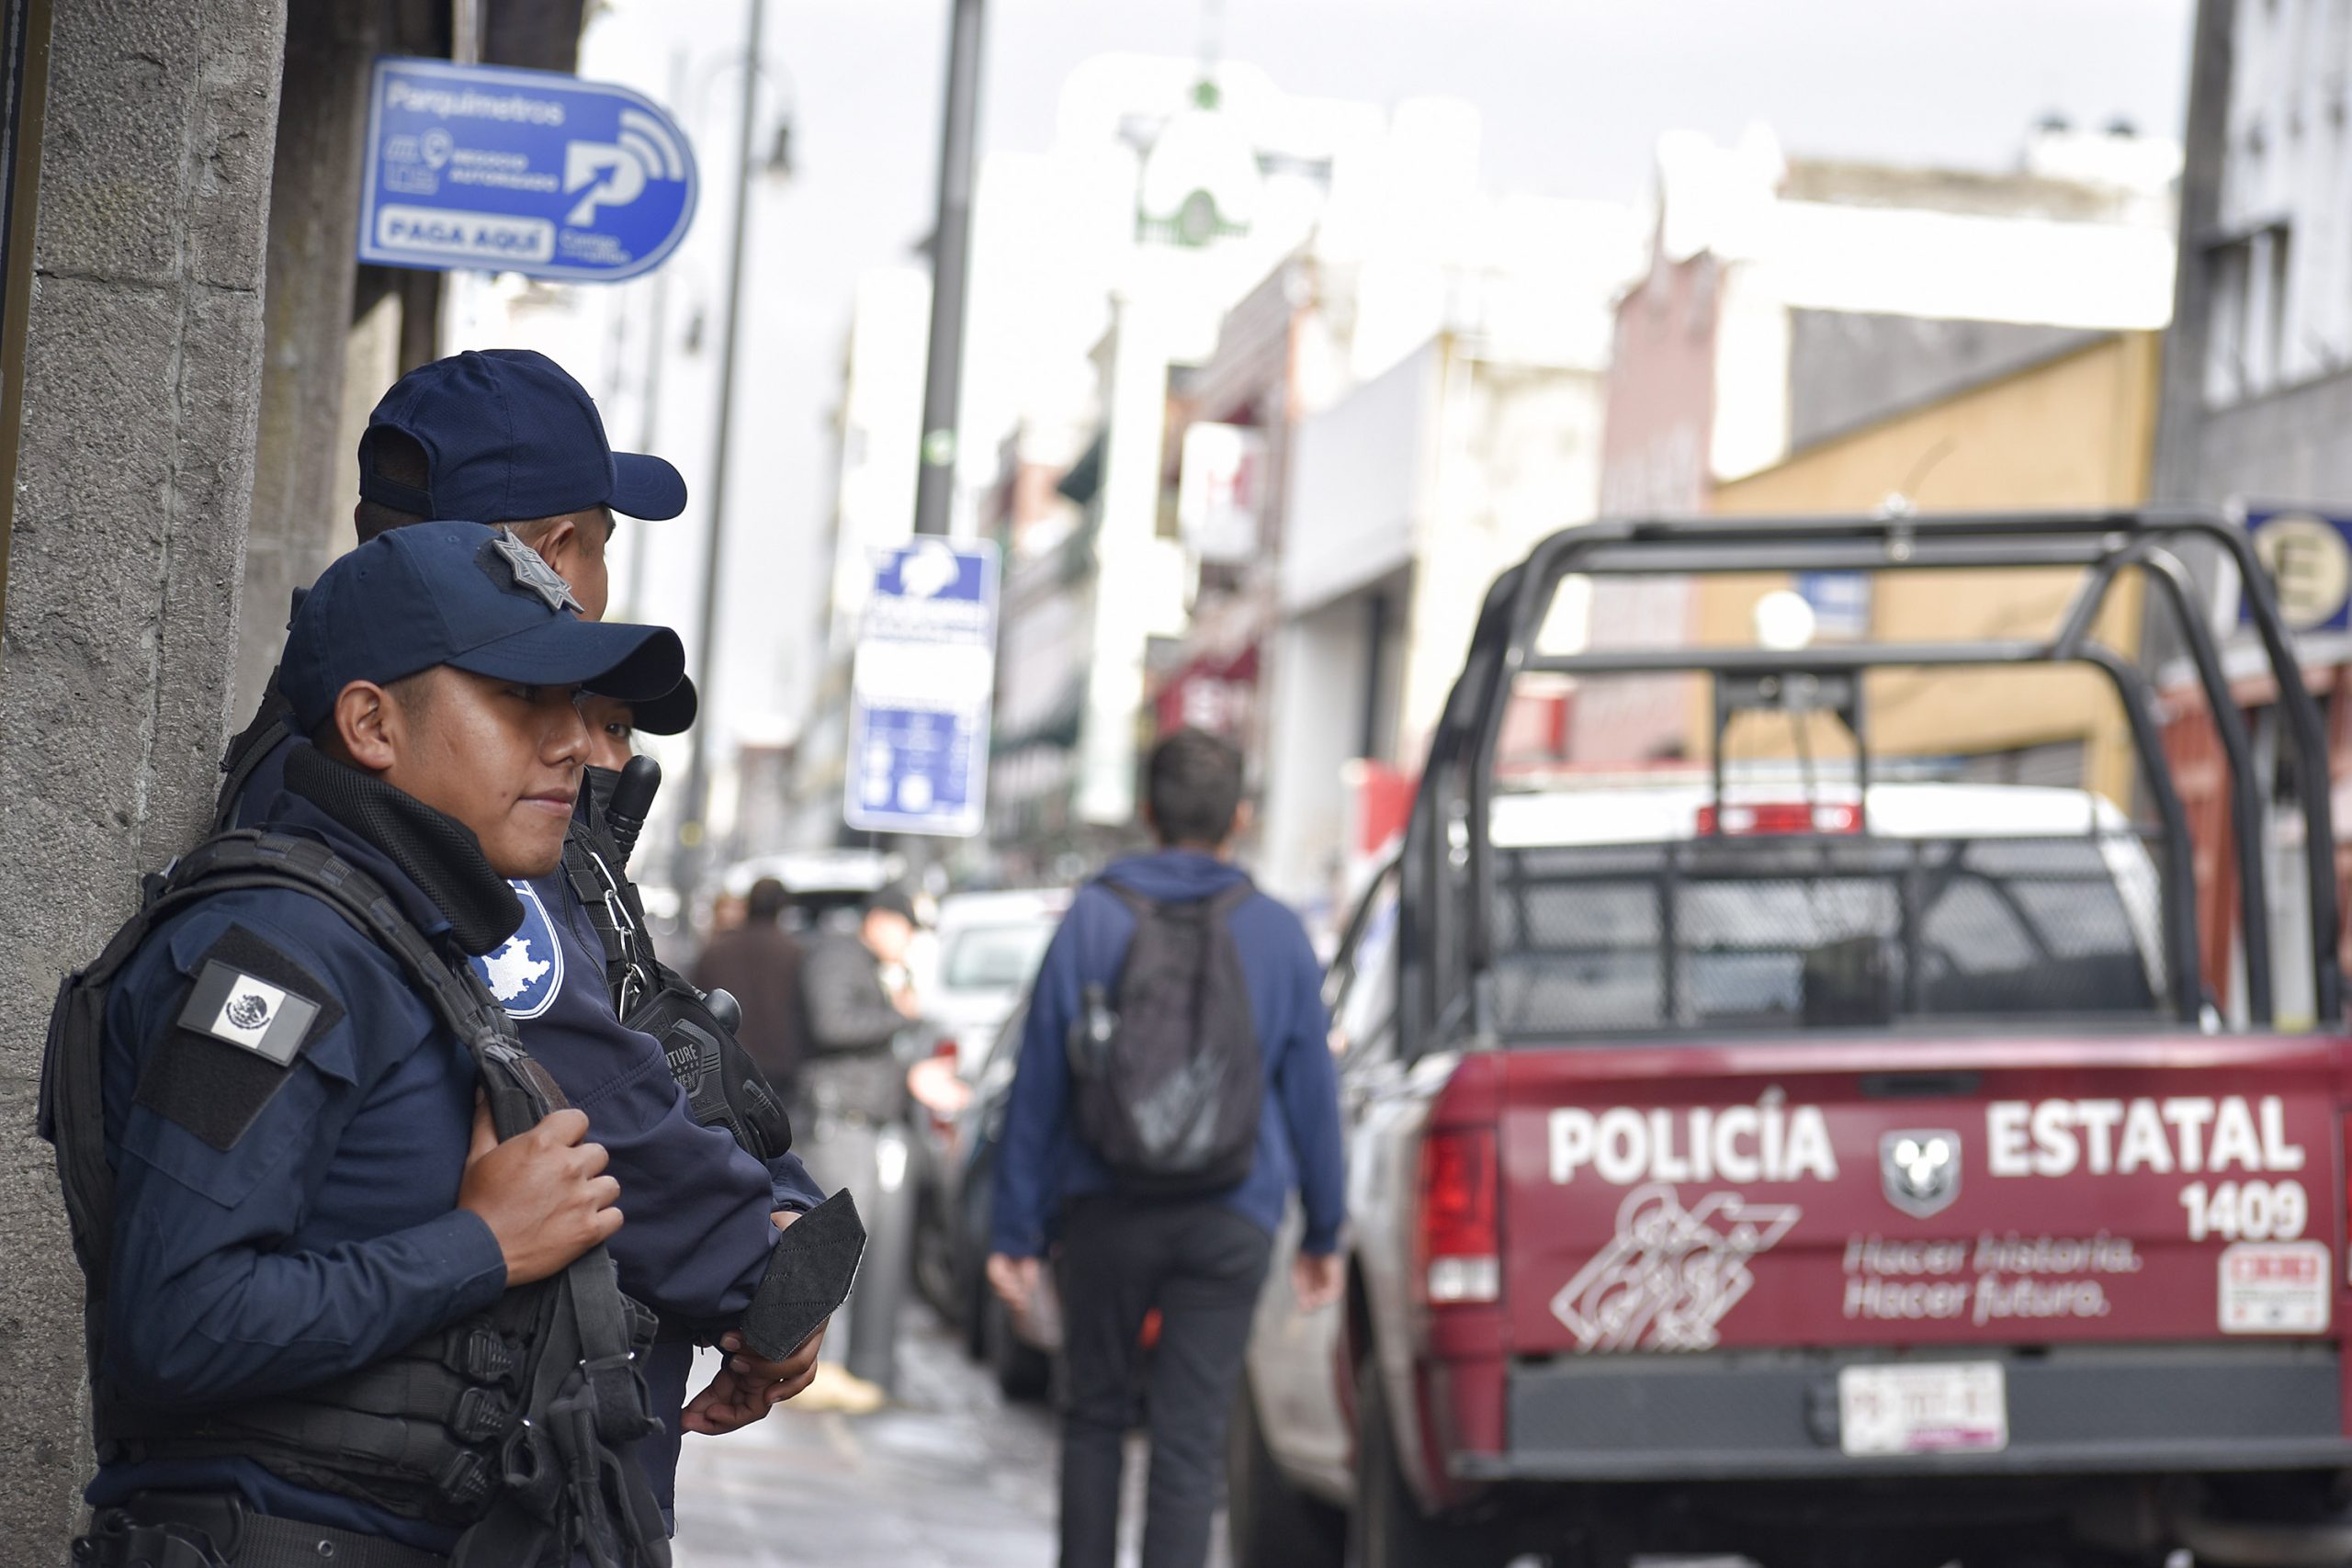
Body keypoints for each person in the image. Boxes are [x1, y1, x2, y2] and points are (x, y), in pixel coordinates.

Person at [213, 348, 831, 1534]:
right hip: (454, 1493)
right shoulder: (430, 792)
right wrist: (760, 1275)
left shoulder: (408, 761)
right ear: (552, 555)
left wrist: (780, 1219)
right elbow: (583, 1087)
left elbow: (666, 1039)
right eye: (596, 539)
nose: (568, 746)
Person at [44, 522, 694, 1564]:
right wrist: (482, 1244)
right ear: (371, 725)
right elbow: (178, 1320)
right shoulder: (277, 957)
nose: (573, 742)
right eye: (520, 699)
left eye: (574, 706)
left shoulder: (393, 941)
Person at [987, 728, 1348, 1568]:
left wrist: (1016, 1234)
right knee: (1190, 1437)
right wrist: (1325, 1231)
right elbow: (1313, 1098)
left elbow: (1038, 1078)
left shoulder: (1093, 915)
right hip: (1233, 1214)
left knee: (1095, 1417)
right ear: (1241, 818)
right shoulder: (1278, 932)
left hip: (1105, 1205)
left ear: (1147, 812)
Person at [692, 876, 811, 1097]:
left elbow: (695, 1006)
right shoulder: (795, 952)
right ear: (781, 907)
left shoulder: (715, 951)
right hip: (780, 1063)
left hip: (725, 1061)